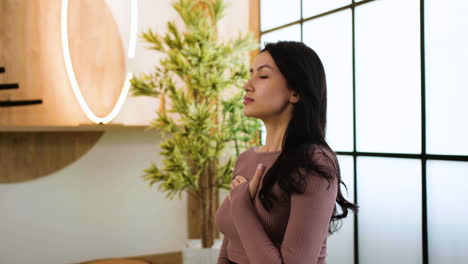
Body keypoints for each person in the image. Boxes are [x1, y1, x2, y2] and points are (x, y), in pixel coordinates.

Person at [214, 41, 358, 264]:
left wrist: (242, 206)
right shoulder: (246, 159)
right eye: (250, 74)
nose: (247, 85)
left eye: (262, 77)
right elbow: (230, 245)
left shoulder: (314, 163)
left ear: (295, 92)